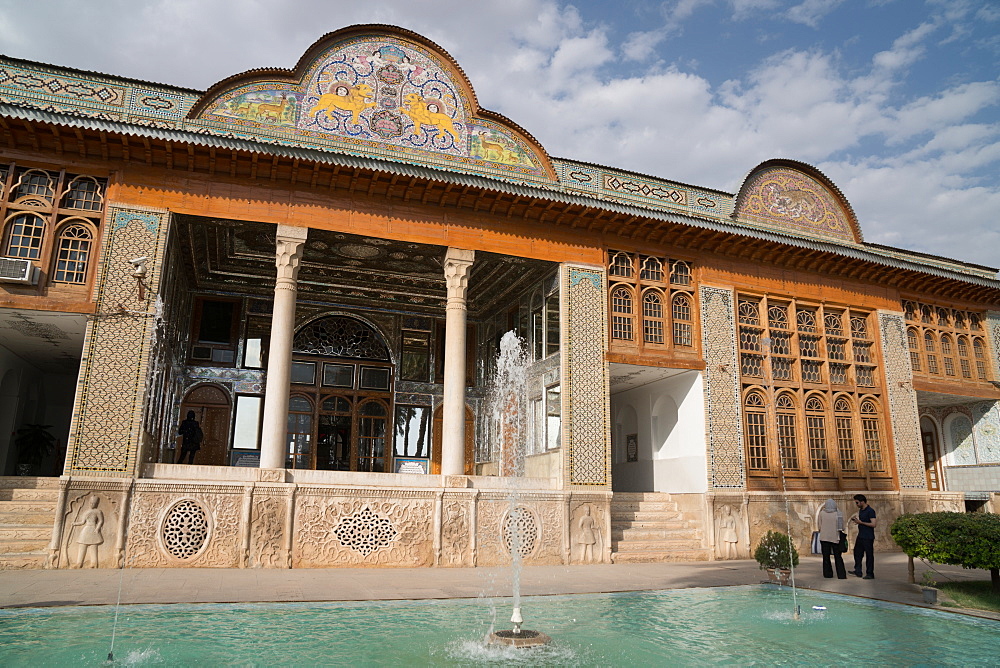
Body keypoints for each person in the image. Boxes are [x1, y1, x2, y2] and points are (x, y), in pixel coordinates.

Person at [817, 499, 846, 579]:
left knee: (826, 557)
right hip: (835, 538)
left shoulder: (822, 513)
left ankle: (828, 574)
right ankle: (841, 574)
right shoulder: (838, 514)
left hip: (824, 538)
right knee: (838, 557)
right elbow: (842, 527)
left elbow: (819, 526)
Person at [849, 493, 877, 579]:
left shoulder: (870, 511)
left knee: (869, 555)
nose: (856, 504)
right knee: (857, 553)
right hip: (861, 535)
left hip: (868, 536)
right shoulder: (861, 510)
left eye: (857, 502)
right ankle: (858, 570)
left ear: (862, 502)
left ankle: (870, 573)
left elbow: (873, 524)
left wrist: (861, 523)